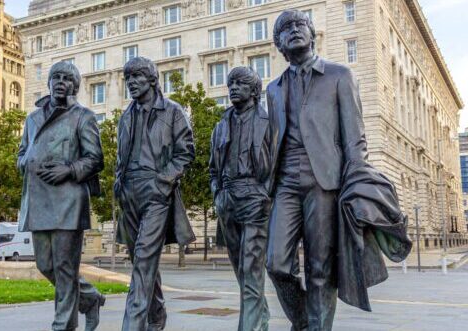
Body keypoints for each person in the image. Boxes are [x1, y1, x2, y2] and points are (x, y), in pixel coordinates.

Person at [265, 10, 368, 330]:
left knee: (320, 267)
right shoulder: (274, 88)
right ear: (279, 44)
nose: (294, 31)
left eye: (300, 25)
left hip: (325, 180)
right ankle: (306, 322)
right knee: (276, 264)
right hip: (285, 181)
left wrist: (356, 183)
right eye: (286, 29)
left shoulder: (339, 76)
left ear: (312, 34)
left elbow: (355, 138)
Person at [17, 61, 105, 331]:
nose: (60, 82)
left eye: (67, 79)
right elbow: (22, 153)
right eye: (56, 77)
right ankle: (89, 298)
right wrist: (25, 164)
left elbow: (95, 158)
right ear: (49, 82)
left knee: (65, 268)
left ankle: (62, 326)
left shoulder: (83, 116)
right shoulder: (32, 118)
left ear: (75, 86)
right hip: (39, 199)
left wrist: (68, 170)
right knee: (46, 265)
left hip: (68, 200)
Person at [115, 56, 195, 331]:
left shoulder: (172, 111)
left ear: (151, 80)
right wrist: (119, 185)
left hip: (156, 191)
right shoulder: (126, 116)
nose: (132, 83)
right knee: (139, 258)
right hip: (129, 193)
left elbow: (186, 152)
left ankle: (132, 325)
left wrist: (163, 182)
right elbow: (120, 157)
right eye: (128, 79)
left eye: (137, 77)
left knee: (144, 259)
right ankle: (157, 314)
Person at [209, 66, 275, 331]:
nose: (233, 87)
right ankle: (261, 318)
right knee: (242, 271)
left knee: (250, 271)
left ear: (254, 90)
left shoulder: (268, 122)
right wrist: (217, 193)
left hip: (255, 200)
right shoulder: (221, 125)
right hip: (228, 200)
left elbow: (278, 163)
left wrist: (265, 194)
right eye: (230, 84)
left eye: (240, 83)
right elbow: (213, 167)